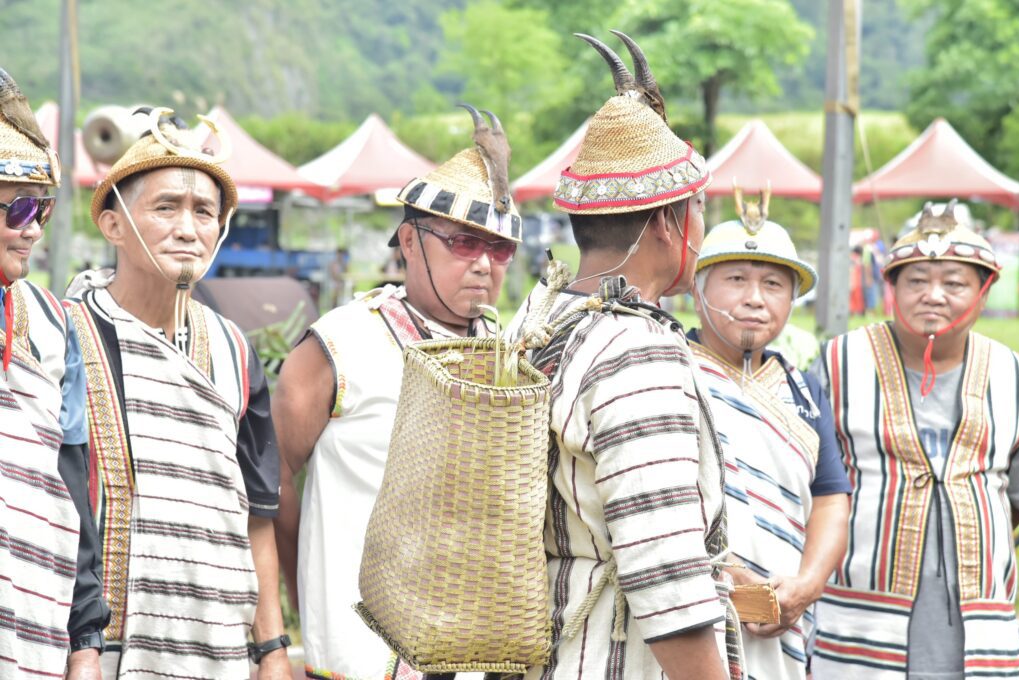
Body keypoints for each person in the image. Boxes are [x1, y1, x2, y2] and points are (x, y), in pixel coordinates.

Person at [507, 32, 738, 680]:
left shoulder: (533, 320)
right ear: (668, 223)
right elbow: (666, 583)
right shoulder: (635, 354)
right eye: (697, 209)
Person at [273, 104, 519, 680]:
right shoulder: (340, 341)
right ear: (409, 241)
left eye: (501, 248)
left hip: (477, 653)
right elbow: (274, 477)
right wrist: (301, 593)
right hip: (359, 654)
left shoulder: (510, 355)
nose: (485, 263)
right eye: (463, 242)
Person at [65, 108, 289, 678]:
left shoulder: (236, 352)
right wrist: (78, 651)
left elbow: (257, 515)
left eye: (204, 211)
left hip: (222, 650)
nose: (188, 228)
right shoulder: (66, 334)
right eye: (166, 207)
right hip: (107, 652)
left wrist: (273, 651)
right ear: (113, 224)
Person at [810, 201, 1019, 679]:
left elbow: (1018, 495)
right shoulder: (838, 364)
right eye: (916, 281)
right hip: (859, 616)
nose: (933, 295)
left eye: (953, 283)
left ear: (983, 293)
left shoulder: (1015, 375)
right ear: (892, 289)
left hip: (979, 622)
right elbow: (804, 481)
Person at [686, 192, 850, 679]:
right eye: (736, 280)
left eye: (773, 284)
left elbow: (831, 499)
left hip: (786, 618)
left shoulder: (804, 389)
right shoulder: (669, 367)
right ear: (698, 290)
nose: (755, 298)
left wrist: (807, 584)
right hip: (689, 609)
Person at [0, 67, 110, 679]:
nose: (35, 227)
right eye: (18, 206)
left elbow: (72, 483)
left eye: (41, 207)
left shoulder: (52, 321)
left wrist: (85, 643)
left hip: (39, 632)